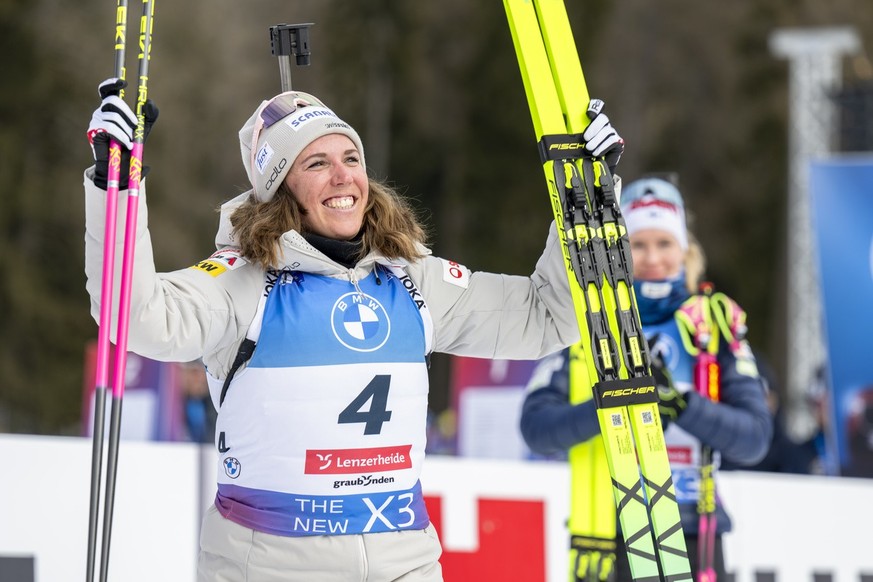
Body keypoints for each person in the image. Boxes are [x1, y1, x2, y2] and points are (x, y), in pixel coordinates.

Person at [83, 78, 625, 581]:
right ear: (280, 186)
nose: (343, 177)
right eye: (317, 163)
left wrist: (589, 204)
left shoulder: (412, 278)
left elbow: (549, 316)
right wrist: (116, 187)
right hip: (269, 565)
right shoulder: (242, 281)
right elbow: (136, 316)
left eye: (351, 158)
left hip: (403, 562)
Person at [520, 177, 773, 581]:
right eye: (638, 244)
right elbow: (536, 429)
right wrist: (610, 403)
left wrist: (683, 404)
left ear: (685, 250)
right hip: (607, 536)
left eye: (664, 243)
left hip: (694, 536)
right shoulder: (586, 320)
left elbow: (754, 438)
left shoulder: (714, 323)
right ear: (618, 250)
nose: (653, 257)